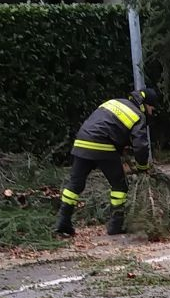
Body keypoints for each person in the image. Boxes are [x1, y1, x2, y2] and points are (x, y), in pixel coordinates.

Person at [54, 87, 158, 238]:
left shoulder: (114, 102)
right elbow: (141, 146)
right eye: (152, 109)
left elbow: (106, 124)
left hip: (82, 140)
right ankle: (116, 225)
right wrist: (143, 167)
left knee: (75, 184)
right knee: (119, 185)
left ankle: (63, 223)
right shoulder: (138, 115)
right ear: (145, 104)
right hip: (103, 145)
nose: (151, 113)